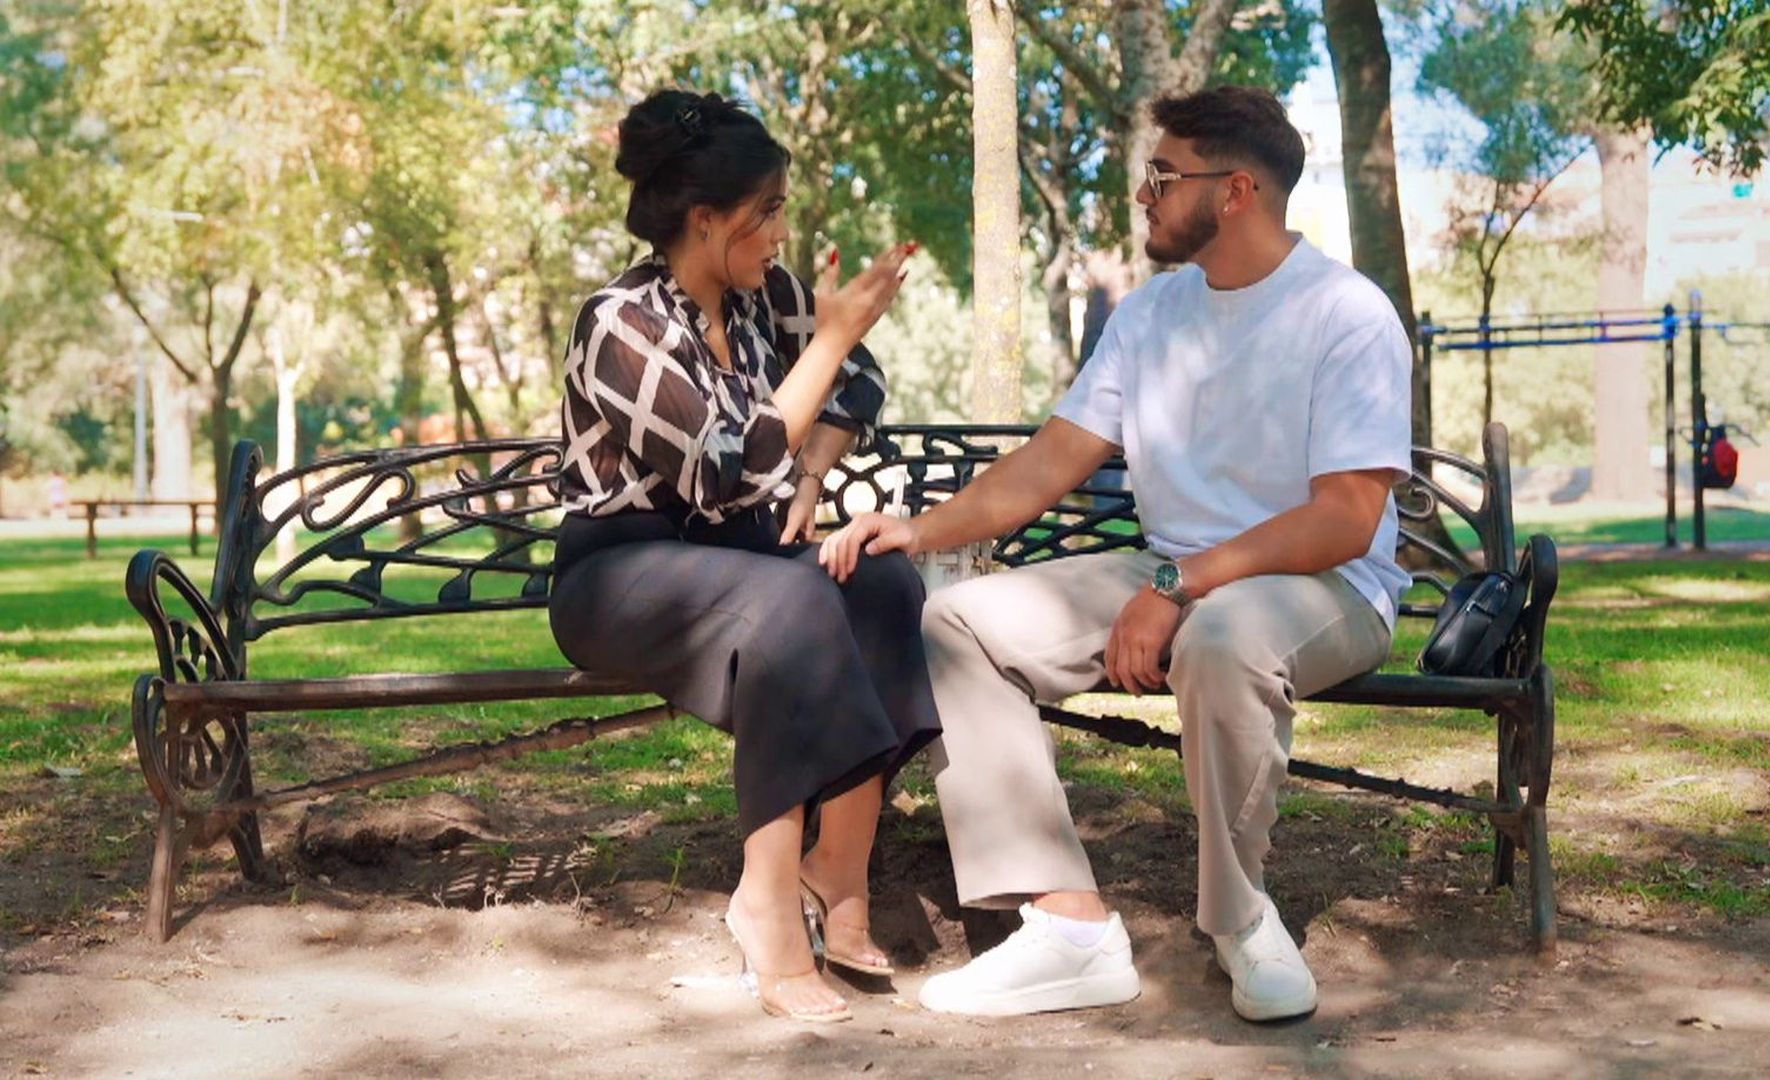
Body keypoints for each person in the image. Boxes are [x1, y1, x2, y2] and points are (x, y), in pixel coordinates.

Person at [820, 85, 1412, 1022]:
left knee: (1221, 640)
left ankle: (1240, 916)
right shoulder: (1150, 317)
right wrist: (919, 530)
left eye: (1163, 175)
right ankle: (1068, 927)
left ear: (1237, 192)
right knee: (958, 621)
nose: (1144, 194)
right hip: (1177, 572)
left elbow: (1343, 517)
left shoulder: (1346, 314)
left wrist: (1182, 585)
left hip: (1325, 583)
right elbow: (1052, 462)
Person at [549, 89, 939, 1023]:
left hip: (737, 561)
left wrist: (810, 481)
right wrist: (836, 333)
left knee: (878, 581)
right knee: (791, 604)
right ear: (705, 218)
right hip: (620, 573)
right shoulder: (620, 323)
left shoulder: (765, 300)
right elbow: (724, 473)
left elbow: (860, 380)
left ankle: (836, 878)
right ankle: (762, 908)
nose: (780, 230)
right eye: (765, 211)